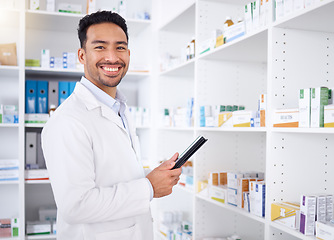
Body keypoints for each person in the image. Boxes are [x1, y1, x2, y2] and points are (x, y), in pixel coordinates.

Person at [41, 11, 182, 240]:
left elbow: (114, 176)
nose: (112, 57)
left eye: (120, 47)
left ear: (128, 53)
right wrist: (149, 188)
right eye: (99, 47)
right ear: (82, 55)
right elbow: (76, 206)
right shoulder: (67, 120)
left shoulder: (120, 108)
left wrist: (154, 176)